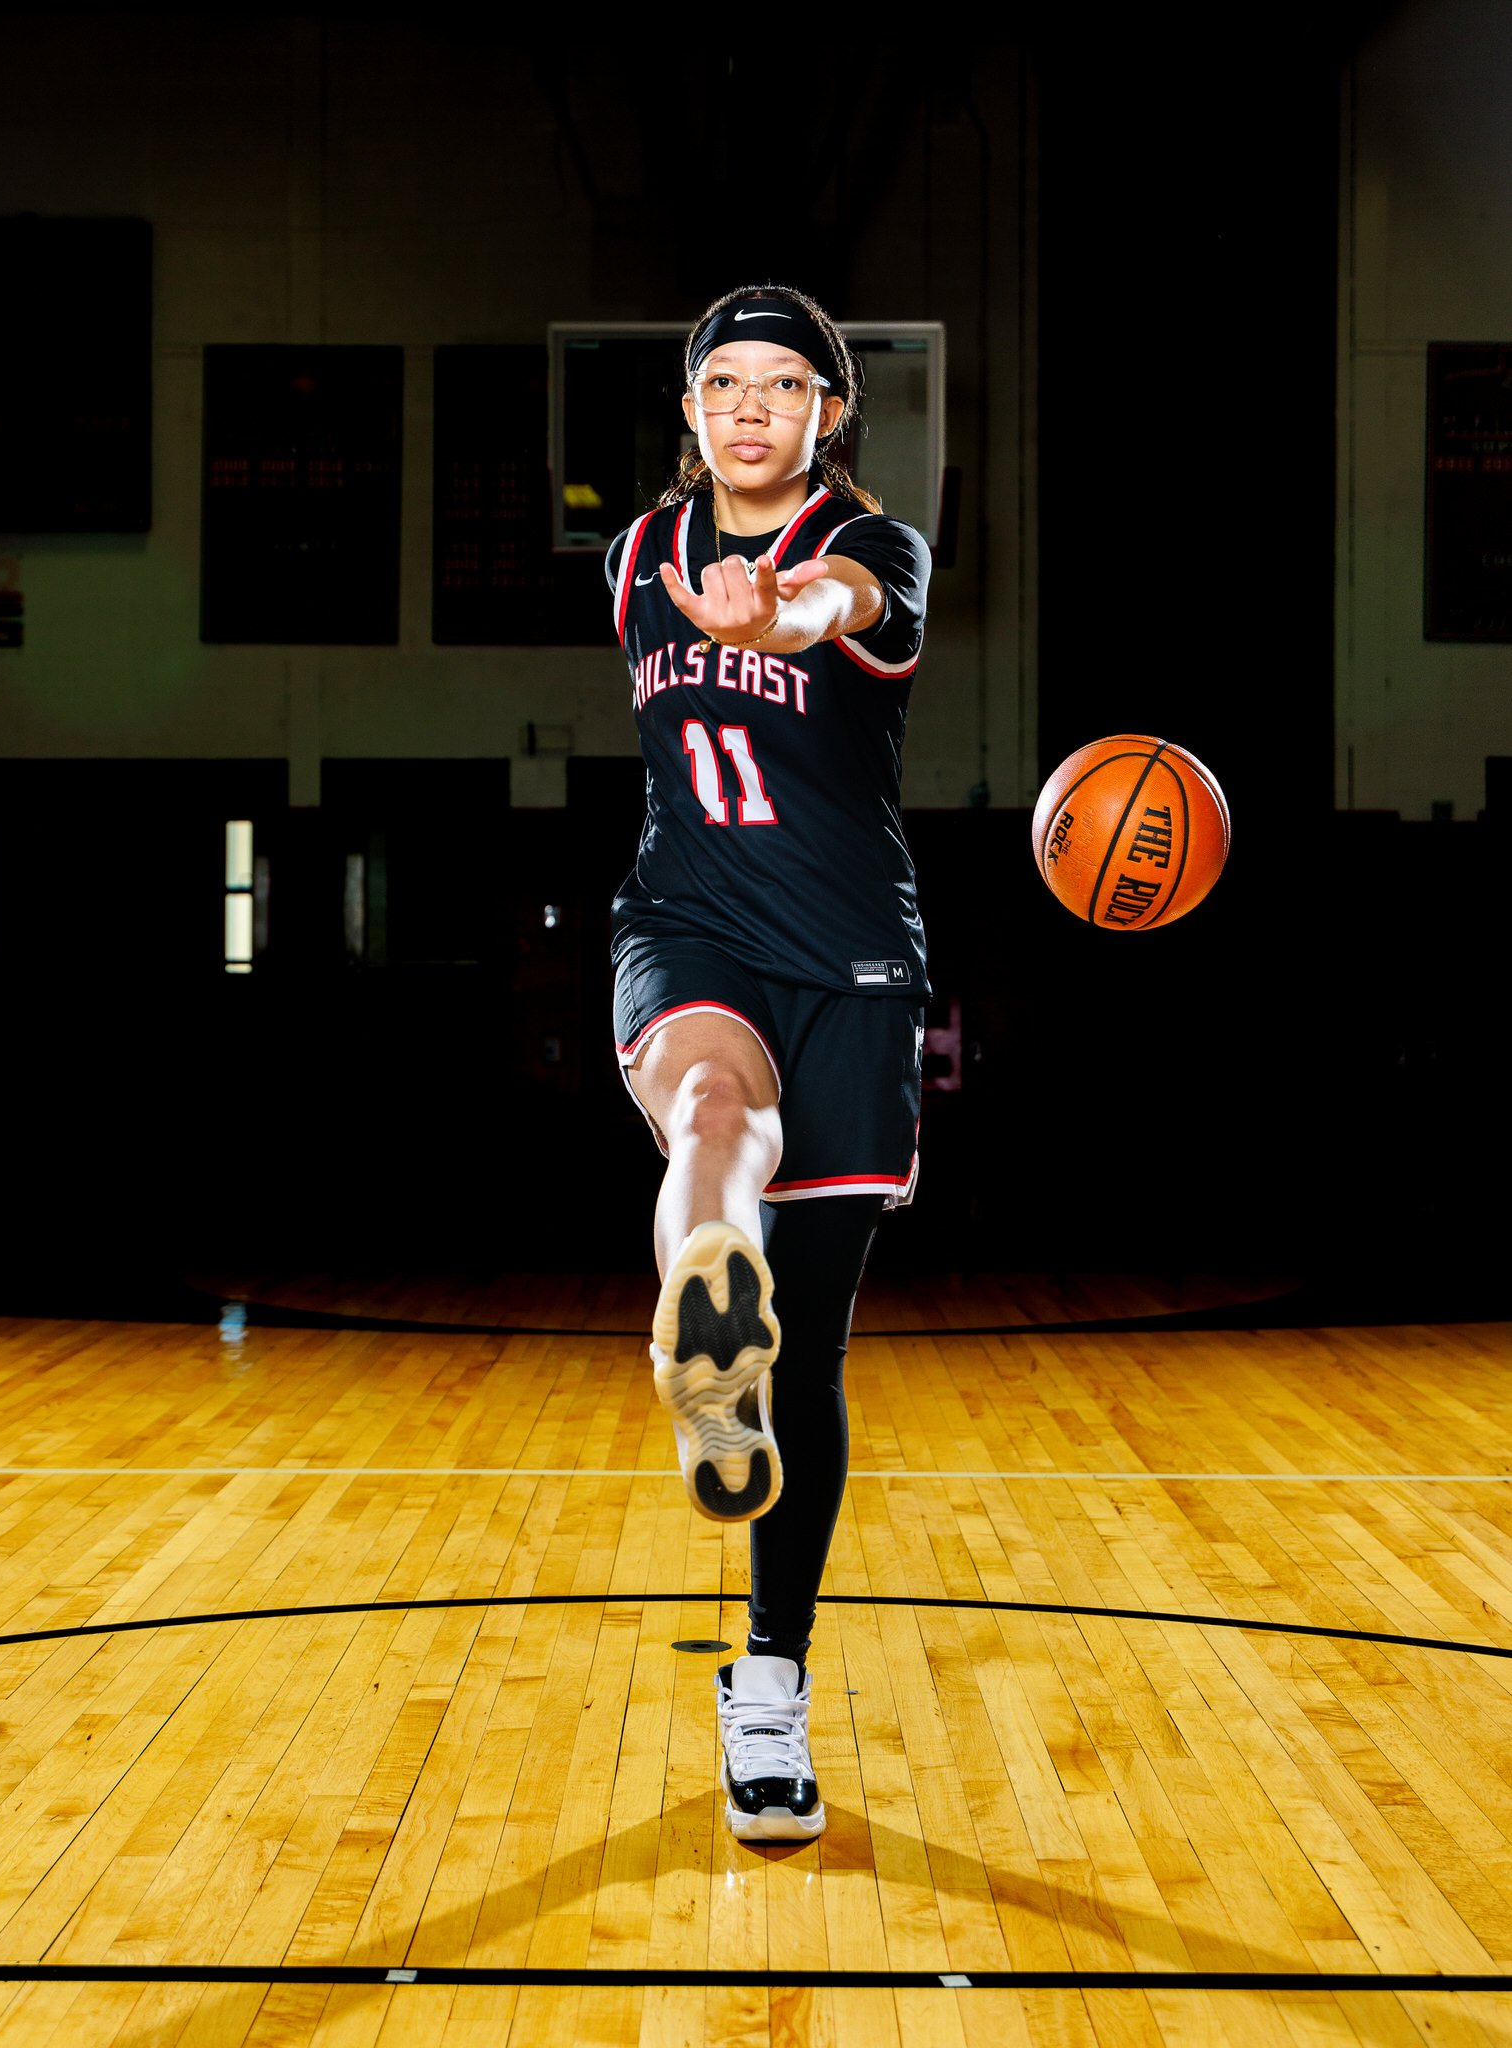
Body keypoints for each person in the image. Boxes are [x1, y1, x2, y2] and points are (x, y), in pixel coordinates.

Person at [604, 284, 931, 1842]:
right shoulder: (633, 560)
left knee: (815, 1362)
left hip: (854, 960)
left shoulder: (879, 553)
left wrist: (780, 613)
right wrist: (724, 605)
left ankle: (769, 1689)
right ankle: (699, 1341)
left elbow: (841, 613)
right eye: (720, 383)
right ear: (687, 411)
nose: (746, 408)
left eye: (780, 387)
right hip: (689, 926)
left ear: (827, 415)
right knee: (711, 1112)